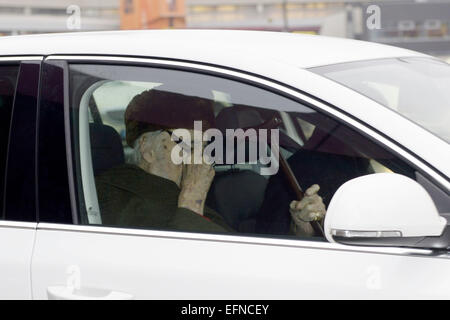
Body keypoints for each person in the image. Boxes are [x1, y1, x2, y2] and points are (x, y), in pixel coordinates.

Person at [94, 87, 326, 236]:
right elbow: (172, 270)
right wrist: (192, 199)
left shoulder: (179, 193)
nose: (201, 159)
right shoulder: (113, 195)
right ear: (147, 149)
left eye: (204, 147)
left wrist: (299, 228)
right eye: (189, 145)